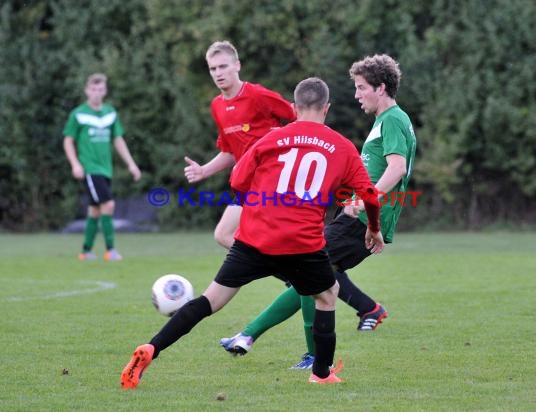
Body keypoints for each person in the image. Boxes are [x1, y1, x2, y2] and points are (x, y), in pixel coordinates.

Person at [120, 77, 384, 388]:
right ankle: (322, 373)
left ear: (295, 108)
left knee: (210, 300)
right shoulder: (342, 147)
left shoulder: (271, 139)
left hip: (254, 239)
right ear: (327, 108)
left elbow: (238, 181)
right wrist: (374, 229)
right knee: (327, 296)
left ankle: (152, 348)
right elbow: (369, 194)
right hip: (302, 244)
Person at [219, 53, 417, 370]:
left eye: (361, 87)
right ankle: (361, 314)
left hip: (362, 218)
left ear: (381, 88)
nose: (356, 94)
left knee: (307, 279)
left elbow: (397, 167)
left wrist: (367, 199)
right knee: (318, 279)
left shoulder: (392, 119)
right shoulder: (390, 120)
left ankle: (254, 336)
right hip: (358, 216)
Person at [183, 40, 296, 249]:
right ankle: (295, 276)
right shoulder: (217, 106)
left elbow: (300, 117)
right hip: (247, 183)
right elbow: (230, 150)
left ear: (237, 65)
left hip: (273, 180)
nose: (218, 73)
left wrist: (283, 134)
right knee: (224, 235)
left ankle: (302, 276)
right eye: (213, 68)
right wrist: (204, 171)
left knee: (267, 238)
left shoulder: (258, 95)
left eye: (223, 66)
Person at [63, 73, 141, 261]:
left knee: (95, 210)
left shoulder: (110, 113)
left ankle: (86, 251)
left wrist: (131, 164)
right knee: (108, 204)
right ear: (86, 91)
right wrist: (75, 164)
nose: (97, 93)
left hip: (106, 169)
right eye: (93, 89)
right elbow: (68, 140)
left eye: (100, 89)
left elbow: (118, 139)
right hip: (90, 168)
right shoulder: (78, 114)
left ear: (105, 91)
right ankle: (110, 251)